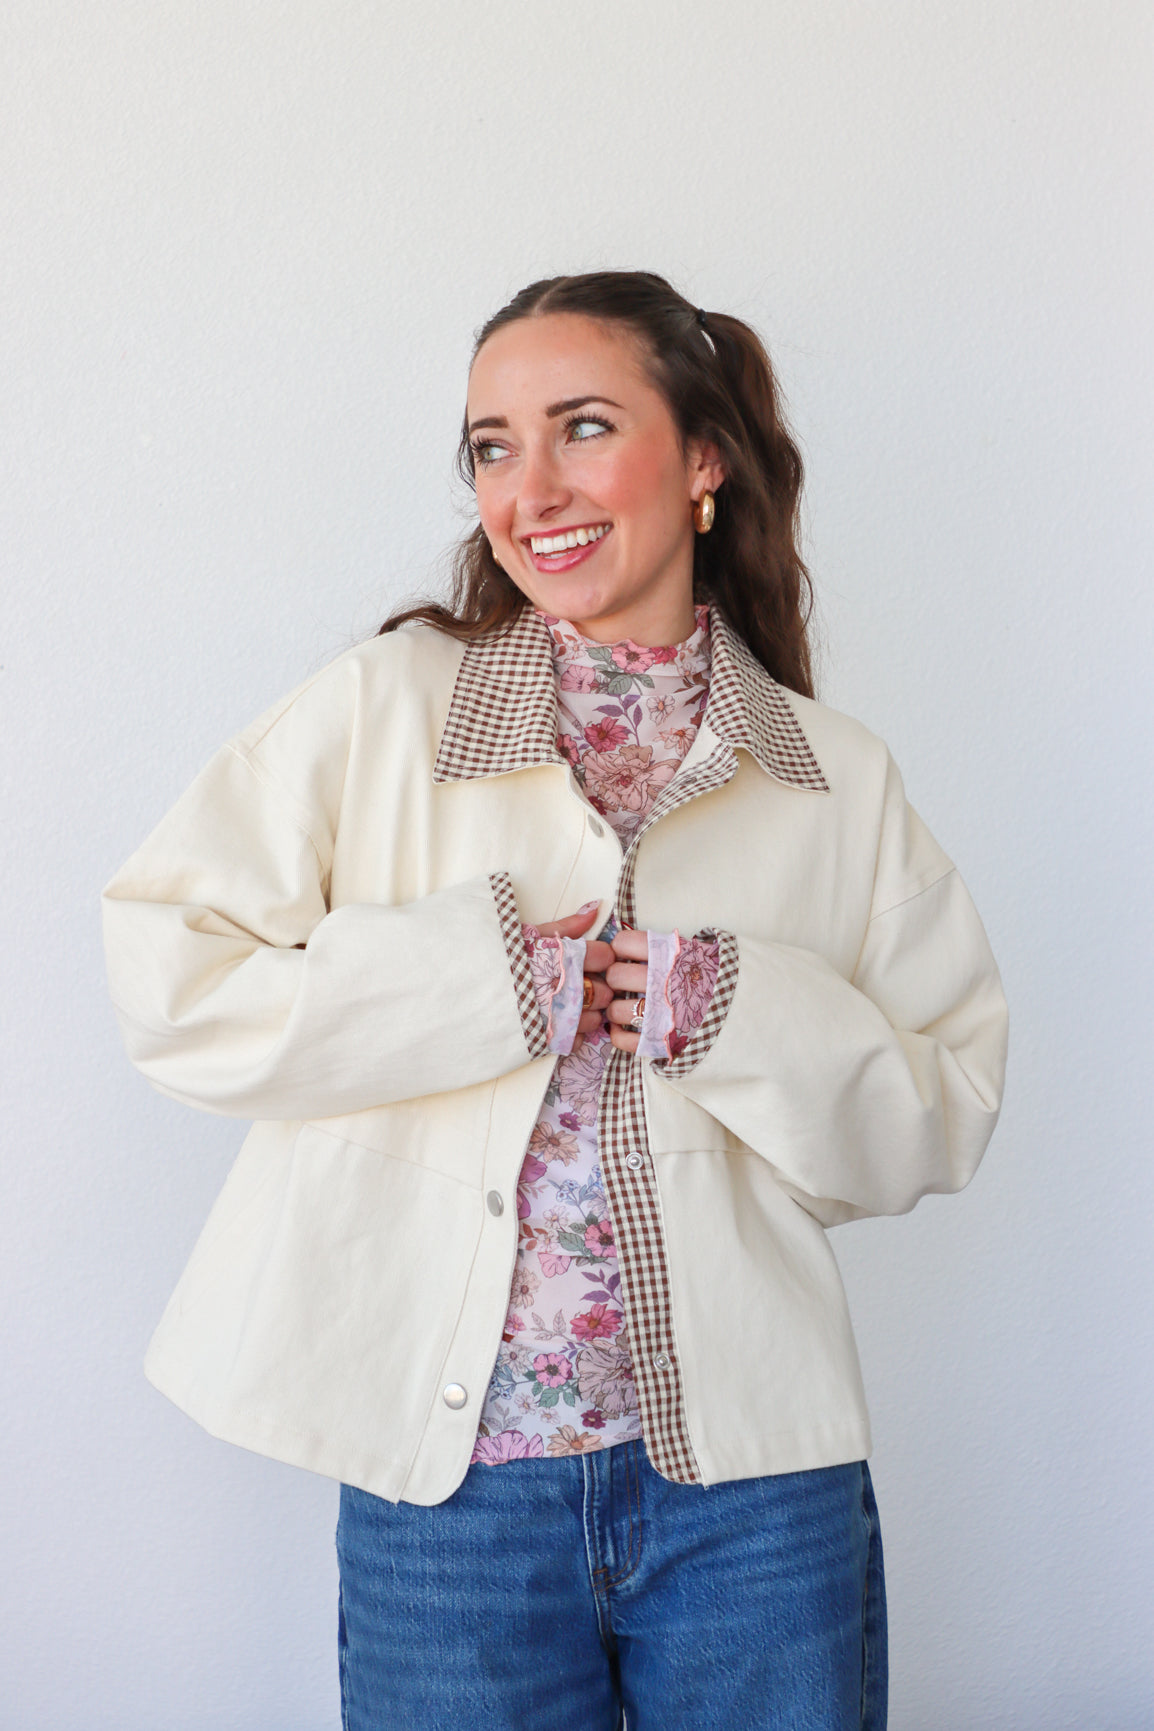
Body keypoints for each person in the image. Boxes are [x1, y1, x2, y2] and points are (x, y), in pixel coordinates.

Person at [102, 270, 1009, 1730]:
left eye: (581, 427)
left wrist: (737, 1015)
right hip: (453, 1500)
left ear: (702, 457)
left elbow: (937, 1115)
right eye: (490, 446)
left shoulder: (833, 777)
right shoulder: (379, 710)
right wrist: (474, 981)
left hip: (754, 1497)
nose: (530, 489)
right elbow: (172, 971)